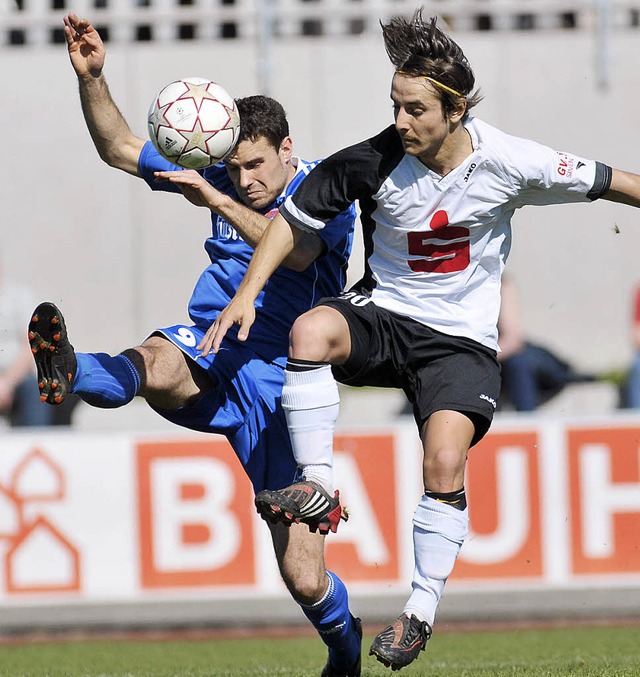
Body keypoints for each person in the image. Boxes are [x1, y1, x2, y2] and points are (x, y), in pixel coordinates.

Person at [202, 9, 640, 672]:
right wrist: (243, 294)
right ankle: (317, 481)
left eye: (413, 109)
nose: (400, 121)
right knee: (310, 327)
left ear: (455, 109)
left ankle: (419, 612)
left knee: (443, 464)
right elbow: (290, 224)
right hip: (384, 315)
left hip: (459, 342)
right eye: (394, 106)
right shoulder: (373, 160)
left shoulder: (511, 161)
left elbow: (611, 181)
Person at [28, 14, 362, 677]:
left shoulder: (328, 188)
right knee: (152, 360)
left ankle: (347, 654)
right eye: (235, 168)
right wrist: (93, 79)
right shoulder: (226, 170)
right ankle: (71, 369)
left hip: (283, 382)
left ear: (289, 149)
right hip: (213, 350)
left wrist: (213, 192)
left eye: (257, 166)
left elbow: (293, 250)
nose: (245, 179)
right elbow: (121, 145)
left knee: (302, 574)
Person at [497, 275, 597, 411]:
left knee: (519, 363)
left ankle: (527, 423)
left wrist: (478, 356)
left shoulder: (501, 284)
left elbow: (512, 341)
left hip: (527, 359)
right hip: (502, 362)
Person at [0, 270, 53, 428]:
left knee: (35, 389)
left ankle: (34, 442)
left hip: (17, 377)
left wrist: (7, 383)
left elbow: (30, 346)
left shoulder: (19, 297)